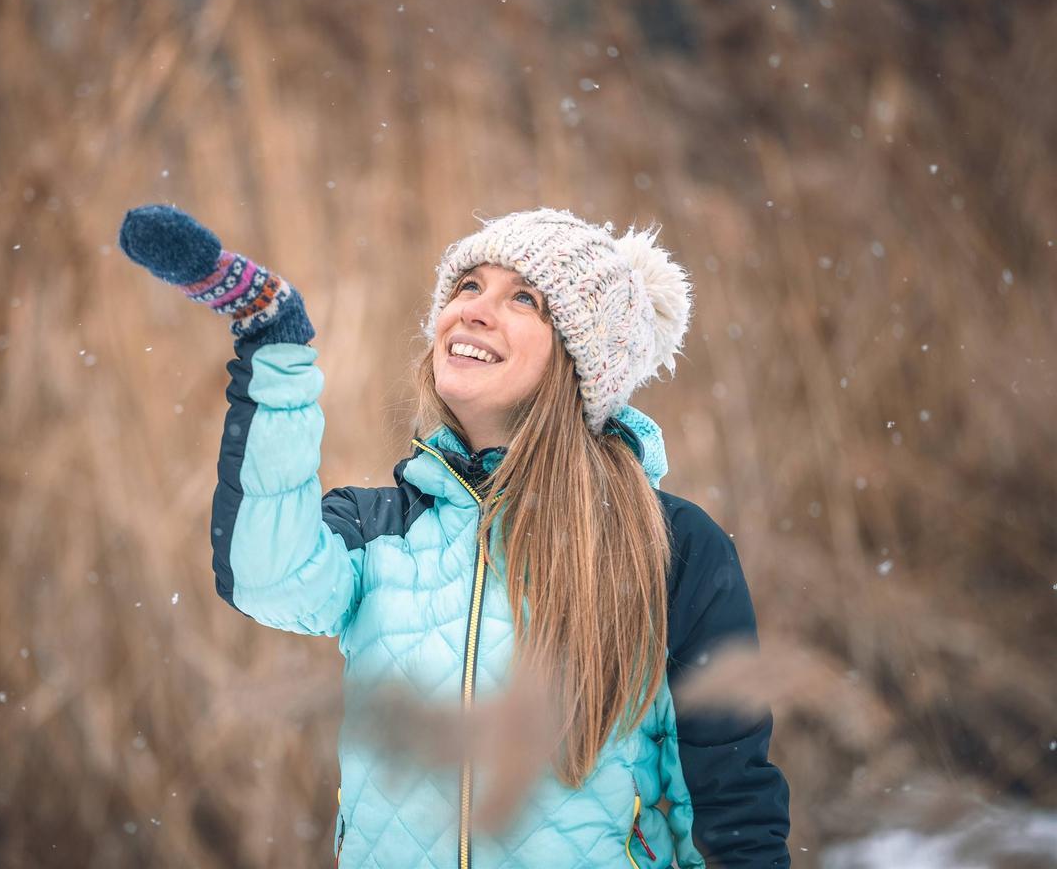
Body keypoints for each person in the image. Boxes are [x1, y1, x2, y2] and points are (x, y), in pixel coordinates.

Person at [119, 204, 791, 868]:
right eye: (468, 286)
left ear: (581, 363)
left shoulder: (668, 544)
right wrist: (277, 346)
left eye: (524, 298)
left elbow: (732, 805)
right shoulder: (380, 529)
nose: (471, 308)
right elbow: (266, 578)